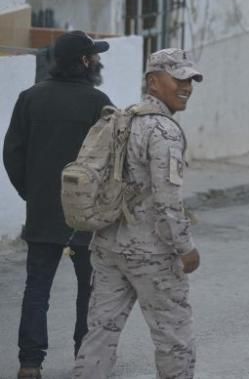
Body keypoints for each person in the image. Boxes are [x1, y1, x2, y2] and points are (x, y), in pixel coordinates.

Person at [73, 49, 203, 379]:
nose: (186, 86)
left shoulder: (120, 120)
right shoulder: (164, 131)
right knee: (174, 339)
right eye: (178, 78)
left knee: (100, 334)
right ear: (153, 82)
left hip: (108, 247)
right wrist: (185, 247)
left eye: (190, 80)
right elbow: (167, 200)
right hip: (152, 254)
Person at [4, 31, 112, 379]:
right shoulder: (98, 102)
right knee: (90, 290)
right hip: (86, 216)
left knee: (37, 288)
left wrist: (31, 192)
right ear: (84, 62)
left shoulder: (30, 98)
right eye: (94, 56)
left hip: (42, 213)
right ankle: (86, 359)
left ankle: (30, 363)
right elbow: (112, 160)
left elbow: (12, 154)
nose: (98, 61)